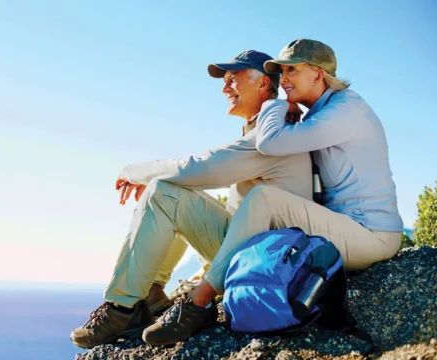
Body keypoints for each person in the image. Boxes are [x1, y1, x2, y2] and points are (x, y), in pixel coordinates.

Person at [157, 38, 403, 347]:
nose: (282, 79)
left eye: (291, 71)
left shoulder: (346, 110)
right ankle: (177, 284)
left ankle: (200, 301)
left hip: (372, 235)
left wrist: (273, 104)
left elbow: (269, 142)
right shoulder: (318, 114)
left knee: (264, 197)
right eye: (280, 71)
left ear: (318, 74)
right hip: (344, 228)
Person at [70, 50, 313, 349]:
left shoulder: (273, 134)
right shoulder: (266, 127)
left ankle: (122, 310)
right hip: (256, 246)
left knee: (165, 192)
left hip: (267, 257)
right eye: (224, 81)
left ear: (263, 84)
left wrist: (134, 172)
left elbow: (198, 167)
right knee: (171, 191)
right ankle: (152, 293)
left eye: (232, 79)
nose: (225, 88)